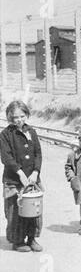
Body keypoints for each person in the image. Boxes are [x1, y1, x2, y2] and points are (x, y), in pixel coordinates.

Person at [0, 100, 43, 252]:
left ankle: (31, 238)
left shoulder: (31, 131)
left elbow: (38, 153)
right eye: (15, 117)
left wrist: (35, 172)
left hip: (32, 179)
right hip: (14, 180)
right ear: (10, 118)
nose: (19, 120)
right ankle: (17, 241)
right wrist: (20, 174)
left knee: (33, 210)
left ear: (27, 115)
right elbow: (6, 157)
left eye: (22, 116)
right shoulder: (6, 134)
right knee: (14, 211)